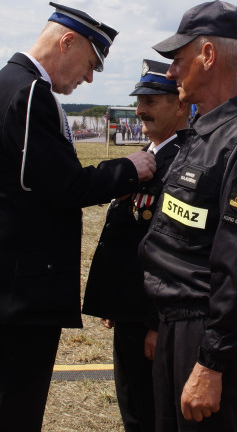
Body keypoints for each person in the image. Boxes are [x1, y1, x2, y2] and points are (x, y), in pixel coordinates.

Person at [0, 2, 156, 432]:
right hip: (18, 289)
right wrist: (128, 169)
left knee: (6, 404)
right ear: (67, 42)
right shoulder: (28, 93)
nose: (89, 77)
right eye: (91, 63)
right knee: (15, 413)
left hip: (4, 281)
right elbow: (62, 187)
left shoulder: (13, 85)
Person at [139, 0, 237, 431]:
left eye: (178, 61)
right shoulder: (202, 134)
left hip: (207, 334)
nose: (170, 73)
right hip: (175, 326)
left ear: (208, 56)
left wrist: (211, 363)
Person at [83, 59, 189, 432]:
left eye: (152, 100)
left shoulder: (182, 162)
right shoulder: (150, 154)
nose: (140, 109)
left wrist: (156, 323)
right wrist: (115, 299)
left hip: (151, 317)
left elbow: (175, 253)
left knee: (150, 411)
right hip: (129, 307)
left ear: (181, 104)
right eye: (139, 100)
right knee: (133, 405)